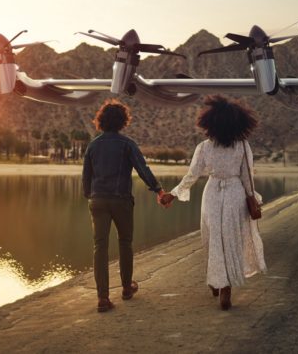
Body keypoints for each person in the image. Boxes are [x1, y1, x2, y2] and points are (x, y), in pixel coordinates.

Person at [160, 95, 267, 311]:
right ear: (238, 123)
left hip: (212, 194)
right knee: (231, 240)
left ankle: (217, 282)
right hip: (236, 193)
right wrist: (252, 198)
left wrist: (173, 194)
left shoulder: (204, 147)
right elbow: (248, 178)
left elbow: (192, 175)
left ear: (210, 123)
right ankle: (225, 288)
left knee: (212, 239)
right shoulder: (242, 146)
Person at [82, 99, 168, 313]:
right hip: (121, 200)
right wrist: (158, 190)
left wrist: (90, 197)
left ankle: (102, 298)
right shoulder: (127, 144)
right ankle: (127, 288)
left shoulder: (93, 145)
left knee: (99, 247)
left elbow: (86, 177)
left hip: (98, 199)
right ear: (122, 122)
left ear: (100, 120)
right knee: (125, 242)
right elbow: (142, 169)